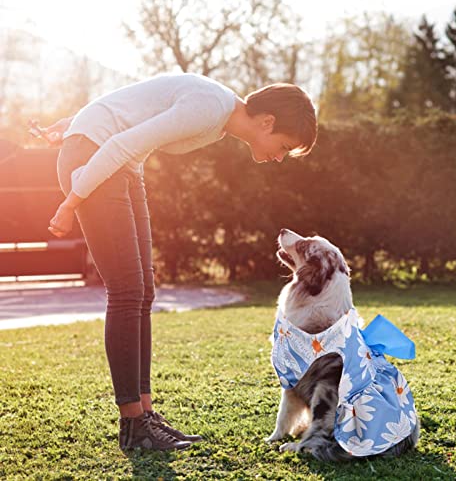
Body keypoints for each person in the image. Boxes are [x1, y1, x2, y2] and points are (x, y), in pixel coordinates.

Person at [42, 72, 317, 452]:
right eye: (283, 146)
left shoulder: (217, 116)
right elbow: (122, 139)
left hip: (119, 163)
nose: (279, 157)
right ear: (267, 122)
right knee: (126, 292)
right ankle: (133, 424)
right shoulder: (211, 108)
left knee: (143, 292)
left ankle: (146, 415)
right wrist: (71, 201)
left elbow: (139, 104)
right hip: (98, 160)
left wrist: (77, 121)